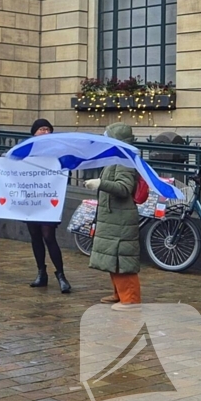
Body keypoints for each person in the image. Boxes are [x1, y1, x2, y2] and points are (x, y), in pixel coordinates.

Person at [85, 122, 142, 312]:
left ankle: (130, 299)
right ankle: (119, 293)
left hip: (121, 218)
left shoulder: (124, 161)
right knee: (112, 258)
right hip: (113, 217)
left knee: (122, 258)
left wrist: (100, 183)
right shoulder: (115, 158)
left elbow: (124, 188)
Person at [25, 119, 71, 294]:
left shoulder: (56, 150)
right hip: (30, 198)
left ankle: (61, 275)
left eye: (47, 129)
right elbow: (13, 164)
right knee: (35, 236)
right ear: (34, 132)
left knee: (48, 235)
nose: (45, 132)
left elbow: (65, 167)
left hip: (48, 198)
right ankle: (41, 272)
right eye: (41, 129)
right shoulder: (27, 149)